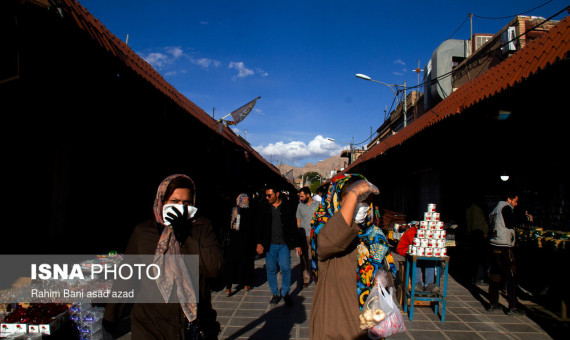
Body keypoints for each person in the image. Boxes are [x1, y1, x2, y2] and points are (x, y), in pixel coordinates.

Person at [103, 174, 223, 339]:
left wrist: (186, 239)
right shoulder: (143, 232)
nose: (180, 207)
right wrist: (110, 318)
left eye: (186, 203)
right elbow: (126, 276)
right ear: (162, 201)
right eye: (174, 202)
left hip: (191, 325)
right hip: (150, 325)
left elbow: (213, 267)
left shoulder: (201, 228)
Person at [310, 174, 396, 340]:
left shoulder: (374, 235)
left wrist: (384, 279)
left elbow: (388, 273)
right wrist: (354, 193)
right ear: (337, 200)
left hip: (371, 326)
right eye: (355, 199)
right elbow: (332, 239)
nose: (361, 205)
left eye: (365, 200)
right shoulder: (323, 231)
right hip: (336, 328)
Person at [256, 185, 302, 306]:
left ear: (277, 194)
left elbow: (293, 226)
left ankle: (285, 293)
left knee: (286, 268)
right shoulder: (264, 207)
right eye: (266, 195)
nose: (267, 197)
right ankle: (275, 293)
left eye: (269, 195)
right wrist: (259, 243)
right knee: (271, 270)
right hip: (269, 245)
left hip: (283, 244)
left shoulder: (287, 207)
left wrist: (297, 244)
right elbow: (259, 226)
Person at [486, 192, 531, 316]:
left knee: (495, 275)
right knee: (511, 274)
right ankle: (512, 306)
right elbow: (510, 222)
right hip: (504, 245)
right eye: (515, 201)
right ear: (509, 199)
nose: (516, 204)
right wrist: (526, 218)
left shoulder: (496, 209)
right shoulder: (505, 207)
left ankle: (493, 303)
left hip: (494, 244)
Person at [223, 193, 255, 295]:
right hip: (246, 243)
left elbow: (229, 227)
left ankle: (228, 287)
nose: (248, 201)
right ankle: (246, 284)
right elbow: (252, 229)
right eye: (247, 199)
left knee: (231, 265)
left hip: (233, 243)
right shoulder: (250, 212)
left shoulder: (234, 211)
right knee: (246, 263)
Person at [396, 224, 438, 293]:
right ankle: (417, 284)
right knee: (415, 261)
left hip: (425, 257)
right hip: (413, 258)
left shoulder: (429, 233)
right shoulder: (410, 233)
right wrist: (410, 250)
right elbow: (399, 249)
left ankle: (429, 284)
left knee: (431, 261)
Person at [296, 187, 320, 288]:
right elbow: (298, 221)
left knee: (317, 257)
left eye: (302, 196)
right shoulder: (300, 206)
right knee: (304, 258)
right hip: (304, 235)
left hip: (315, 235)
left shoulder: (318, 205)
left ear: (308, 195)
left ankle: (317, 277)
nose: (300, 198)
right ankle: (306, 279)